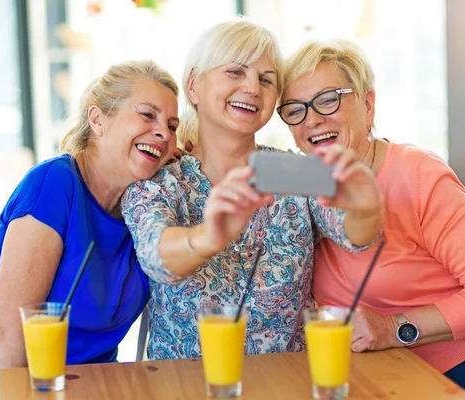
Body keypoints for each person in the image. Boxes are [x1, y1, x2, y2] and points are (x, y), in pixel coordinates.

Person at [278, 39, 465, 400]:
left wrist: (394, 327)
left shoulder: (417, 173)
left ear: (368, 105)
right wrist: (181, 147)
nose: (313, 119)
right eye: (295, 109)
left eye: (328, 99)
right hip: (395, 380)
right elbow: (227, 167)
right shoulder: (296, 182)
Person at [121, 20, 384, 361]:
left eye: (266, 79)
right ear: (193, 86)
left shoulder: (292, 171)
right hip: (183, 386)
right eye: (235, 71)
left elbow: (355, 234)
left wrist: (367, 208)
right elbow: (158, 258)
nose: (252, 88)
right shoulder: (160, 180)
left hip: (288, 383)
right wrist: (208, 237)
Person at [0, 60, 180, 400]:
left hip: (88, 391)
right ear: (98, 120)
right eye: (147, 115)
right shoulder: (56, 184)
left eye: (172, 125)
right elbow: (2, 330)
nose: (164, 133)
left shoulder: (146, 210)